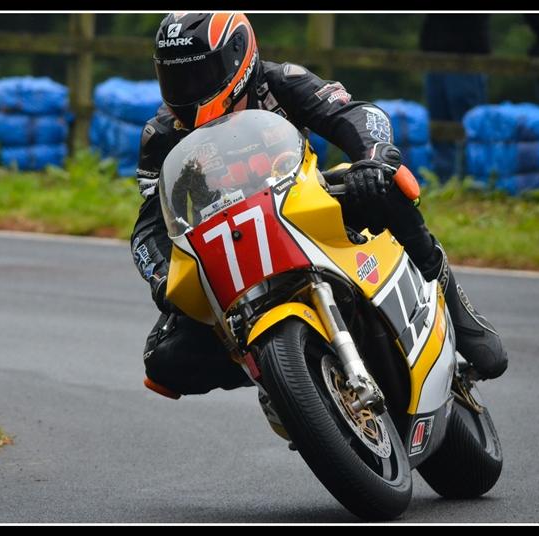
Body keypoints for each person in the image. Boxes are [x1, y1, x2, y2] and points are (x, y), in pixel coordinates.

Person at [131, 12, 507, 399]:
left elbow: (355, 114)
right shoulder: (161, 136)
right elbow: (149, 226)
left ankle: (457, 310)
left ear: (237, 58)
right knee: (163, 361)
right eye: (175, 78)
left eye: (198, 75)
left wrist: (373, 157)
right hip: (227, 246)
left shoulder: (281, 80)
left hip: (301, 203)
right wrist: (162, 277)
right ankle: (276, 368)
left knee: (383, 186)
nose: (187, 89)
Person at [420, 14, 490, 182]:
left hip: (467, 52)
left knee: (471, 129)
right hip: (435, 50)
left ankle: (473, 183)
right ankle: (444, 184)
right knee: (439, 129)